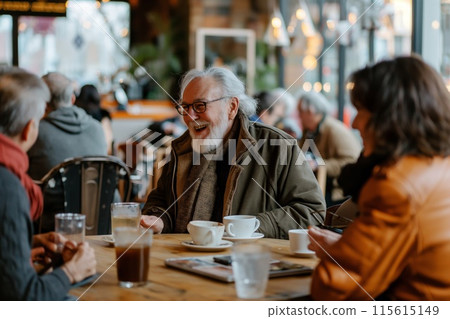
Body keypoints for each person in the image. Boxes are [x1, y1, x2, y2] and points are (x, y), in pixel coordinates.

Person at [308, 55, 450, 300]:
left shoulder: (395, 187)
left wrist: (338, 252)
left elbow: (332, 290)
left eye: (361, 111)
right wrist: (345, 247)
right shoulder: (439, 165)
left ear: (390, 118)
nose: (354, 123)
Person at [140, 67, 325, 239]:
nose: (190, 117)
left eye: (200, 106)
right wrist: (160, 220)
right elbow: (160, 200)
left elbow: (312, 212)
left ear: (231, 107)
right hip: (184, 257)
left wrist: (252, 227)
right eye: (185, 107)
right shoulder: (183, 148)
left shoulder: (278, 146)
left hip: (250, 263)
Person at [0, 68, 96, 300]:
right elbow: (25, 299)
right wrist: (71, 271)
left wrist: (24, 241)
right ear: (28, 129)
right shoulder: (9, 188)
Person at [28, 73, 107, 180]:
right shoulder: (98, 128)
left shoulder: (36, 132)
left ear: (43, 104)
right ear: (73, 99)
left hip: (48, 197)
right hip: (96, 197)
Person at [298, 91, 361, 206]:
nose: (299, 117)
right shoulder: (308, 131)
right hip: (317, 186)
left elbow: (352, 161)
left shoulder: (335, 130)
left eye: (300, 112)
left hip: (336, 191)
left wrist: (318, 164)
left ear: (310, 111)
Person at [75, 84, 114, 154]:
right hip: (99, 159)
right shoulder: (104, 115)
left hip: (77, 157)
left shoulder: (76, 115)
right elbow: (108, 147)